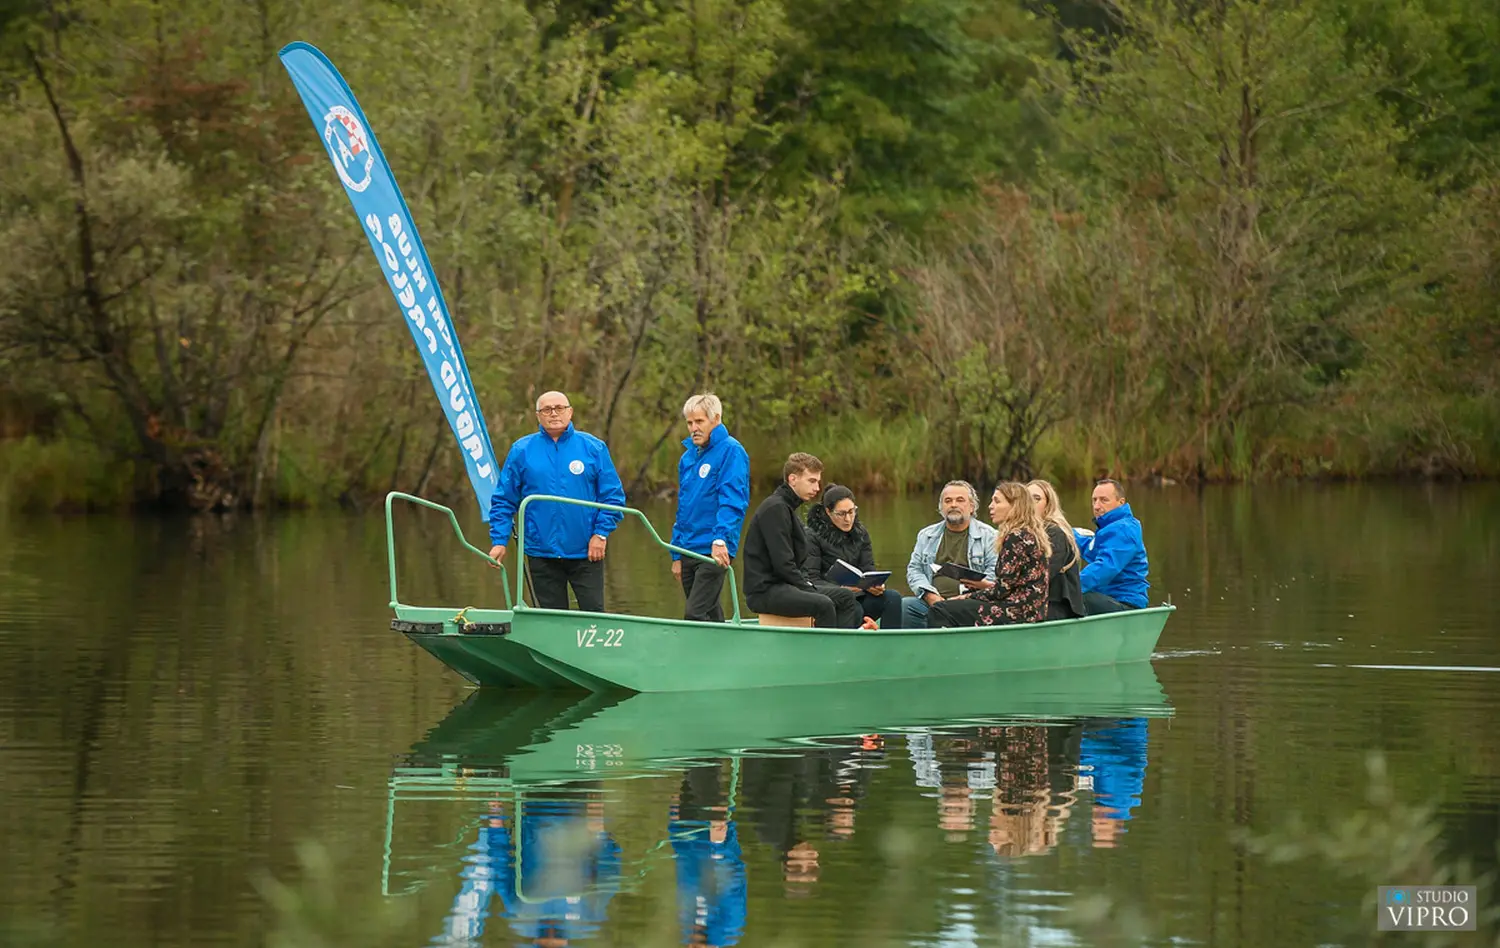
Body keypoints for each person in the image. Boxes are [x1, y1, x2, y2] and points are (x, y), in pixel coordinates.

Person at [487, 391, 627, 613]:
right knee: (551, 619)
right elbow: (504, 500)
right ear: (538, 416)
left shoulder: (593, 448)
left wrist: (600, 535)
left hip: (587, 551)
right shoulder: (522, 450)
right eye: (546, 409)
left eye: (559, 408)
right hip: (541, 552)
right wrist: (499, 540)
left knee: (594, 616)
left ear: (570, 412)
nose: (553, 413)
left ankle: (594, 648)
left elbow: (613, 498)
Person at [741, 453, 867, 629]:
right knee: (823, 604)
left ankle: (842, 650)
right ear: (793, 479)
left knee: (845, 597)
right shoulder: (775, 509)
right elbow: (783, 565)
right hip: (765, 590)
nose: (817, 487)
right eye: (812, 481)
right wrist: (808, 588)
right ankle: (826, 653)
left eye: (818, 481)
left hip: (785, 585)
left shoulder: (788, 509)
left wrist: (807, 585)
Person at [669, 393, 751, 622]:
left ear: (715, 419)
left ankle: (698, 656)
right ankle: (726, 654)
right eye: (689, 423)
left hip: (713, 548)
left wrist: (721, 539)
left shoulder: (731, 451)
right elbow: (683, 509)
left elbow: (733, 500)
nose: (693, 428)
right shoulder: (687, 458)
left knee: (695, 613)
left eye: (699, 421)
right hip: (688, 548)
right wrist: (676, 553)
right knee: (711, 614)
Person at [927, 482, 1050, 628]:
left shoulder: (1015, 537)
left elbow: (1001, 590)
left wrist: (966, 596)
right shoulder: (1029, 534)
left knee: (941, 609)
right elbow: (1009, 585)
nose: (990, 506)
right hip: (1032, 609)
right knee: (958, 606)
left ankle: (941, 650)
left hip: (1018, 612)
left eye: (997, 501)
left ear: (1014, 506)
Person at [899, 481, 1000, 629]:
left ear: (972, 507)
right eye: (948, 501)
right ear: (941, 508)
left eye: (960, 500)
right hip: (933, 602)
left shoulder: (990, 536)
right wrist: (930, 596)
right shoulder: (927, 535)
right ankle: (919, 647)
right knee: (905, 606)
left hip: (970, 602)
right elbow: (915, 569)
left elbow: (993, 575)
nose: (953, 505)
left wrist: (964, 598)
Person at [803, 485, 903, 629]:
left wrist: (875, 585)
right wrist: (841, 589)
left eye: (851, 512)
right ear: (828, 512)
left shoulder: (861, 533)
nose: (848, 519)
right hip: (832, 600)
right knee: (853, 607)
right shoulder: (812, 536)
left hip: (860, 595)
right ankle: (848, 647)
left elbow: (868, 568)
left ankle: (890, 646)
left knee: (893, 598)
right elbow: (811, 580)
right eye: (841, 514)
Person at [1076, 478, 1149, 614]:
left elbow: (1105, 567)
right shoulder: (1108, 529)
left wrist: (1071, 587)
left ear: (1121, 503)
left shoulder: (1124, 529)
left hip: (1126, 604)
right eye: (1094, 500)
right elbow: (1090, 548)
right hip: (1109, 598)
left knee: (1076, 598)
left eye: (1104, 500)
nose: (1097, 506)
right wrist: (1065, 532)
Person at [1026, 479, 1086, 621]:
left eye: (1036, 498)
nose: (1031, 503)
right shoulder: (1024, 533)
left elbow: (1044, 574)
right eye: (1027, 498)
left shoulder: (1055, 532)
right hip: (1033, 600)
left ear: (1048, 505)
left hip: (1057, 605)